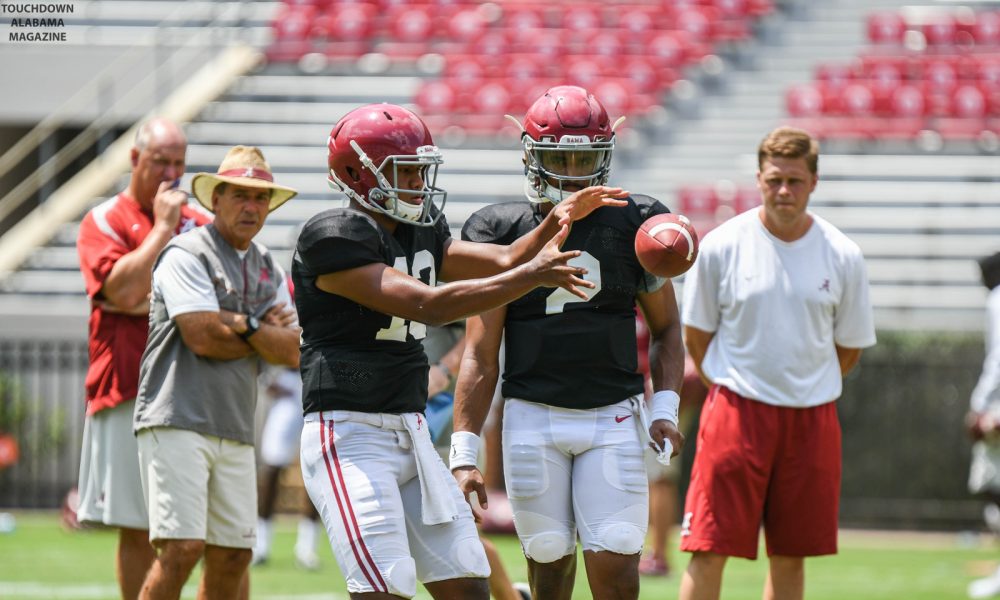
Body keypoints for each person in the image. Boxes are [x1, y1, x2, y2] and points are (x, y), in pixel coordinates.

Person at [293, 102, 627, 600]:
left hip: (410, 426)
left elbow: (506, 256)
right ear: (357, 175)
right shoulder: (334, 237)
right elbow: (429, 304)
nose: (416, 185)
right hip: (349, 432)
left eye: (419, 171)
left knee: (468, 583)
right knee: (384, 587)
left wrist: (556, 221)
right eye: (404, 172)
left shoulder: (419, 230)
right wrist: (529, 276)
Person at [451, 85, 687, 600]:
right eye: (563, 157)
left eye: (586, 158)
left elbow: (668, 327)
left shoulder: (638, 221)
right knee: (550, 569)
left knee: (619, 571)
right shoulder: (499, 228)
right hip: (532, 415)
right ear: (532, 157)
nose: (575, 171)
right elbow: (481, 351)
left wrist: (664, 405)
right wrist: (465, 450)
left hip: (614, 415)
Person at [678, 126, 876, 600]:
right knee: (707, 547)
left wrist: (806, 384)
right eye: (773, 180)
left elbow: (848, 348)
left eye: (795, 180)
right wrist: (736, 386)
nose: (783, 190)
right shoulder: (723, 245)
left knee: (790, 554)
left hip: (812, 418)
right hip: (736, 412)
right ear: (759, 179)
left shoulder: (844, 254)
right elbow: (697, 336)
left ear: (814, 182)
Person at [133, 145, 301, 600]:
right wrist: (259, 327)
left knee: (233, 556)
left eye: (260, 198)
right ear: (216, 199)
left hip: (235, 424)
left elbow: (293, 352)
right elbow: (200, 336)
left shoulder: (267, 263)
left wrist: (239, 323)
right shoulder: (185, 252)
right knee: (183, 548)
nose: (251, 206)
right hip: (176, 417)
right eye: (240, 195)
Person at [75, 117, 210, 600]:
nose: (171, 174)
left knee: (216, 534)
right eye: (160, 162)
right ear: (135, 160)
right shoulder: (105, 218)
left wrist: (143, 296)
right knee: (137, 527)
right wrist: (164, 229)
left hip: (195, 388)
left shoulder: (204, 224)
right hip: (126, 386)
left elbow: (222, 299)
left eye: (178, 163)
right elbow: (124, 288)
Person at [635, 314, 708, 578]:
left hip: (661, 395)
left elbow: (678, 338)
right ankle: (642, 551)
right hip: (628, 392)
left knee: (660, 475)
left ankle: (658, 554)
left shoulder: (666, 286)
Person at [252, 365, 322, 571]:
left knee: (318, 470)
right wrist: (264, 377)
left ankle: (307, 549)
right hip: (288, 382)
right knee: (271, 469)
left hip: (316, 381)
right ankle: (260, 545)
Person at [966, 252, 1000, 599]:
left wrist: (979, 405)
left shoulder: (997, 299)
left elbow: (998, 359)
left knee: (991, 484)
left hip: (997, 409)